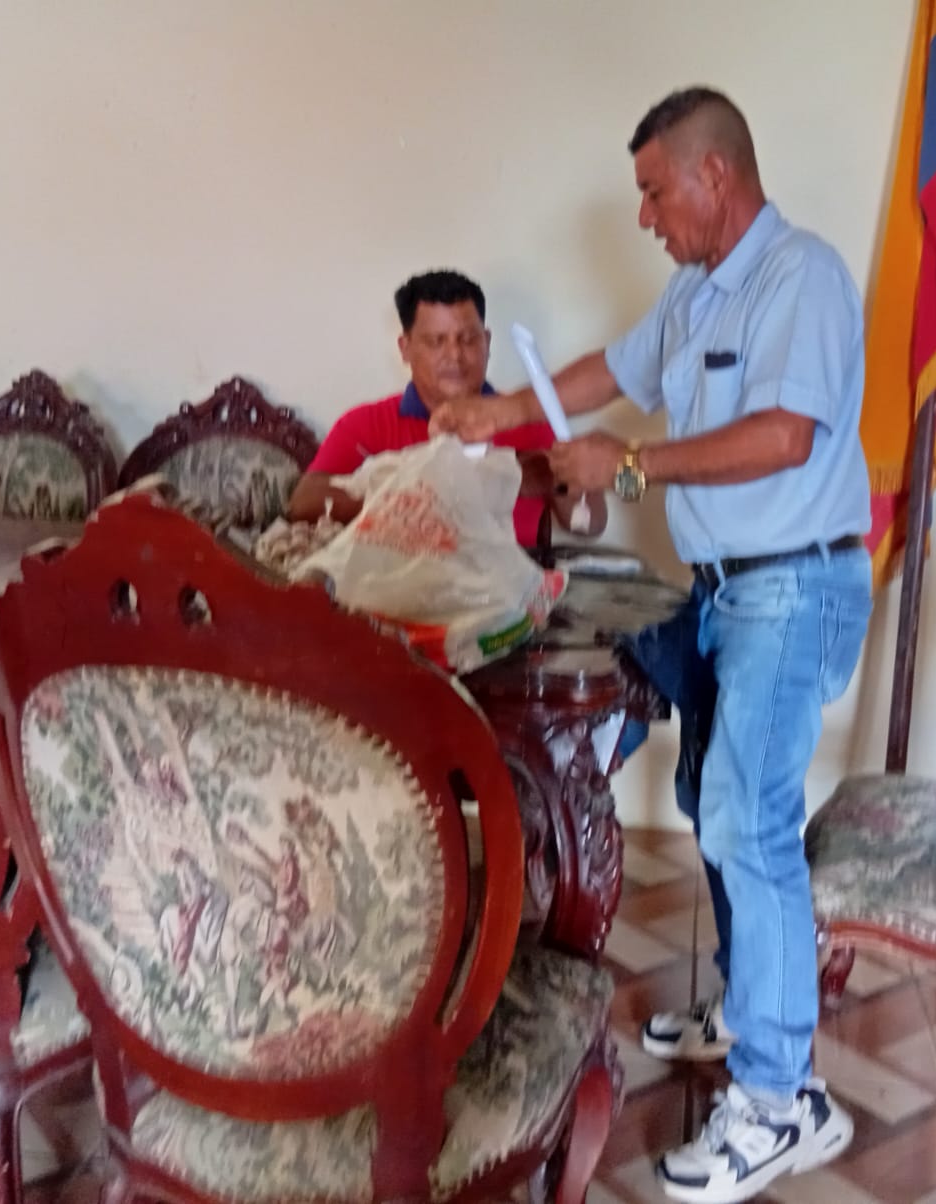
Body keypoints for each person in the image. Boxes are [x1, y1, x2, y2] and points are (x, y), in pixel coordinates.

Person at [432, 87, 871, 1203]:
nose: (644, 216)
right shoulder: (691, 293)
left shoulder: (802, 278)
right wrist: (498, 415)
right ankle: (751, 1004)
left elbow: (785, 436)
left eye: (653, 190)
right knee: (712, 799)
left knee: (744, 818)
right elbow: (609, 374)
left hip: (793, 584)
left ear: (713, 175)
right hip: (727, 589)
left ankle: (782, 1099)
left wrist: (628, 465)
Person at [286, 269, 604, 544]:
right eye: (436, 341)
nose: (454, 355)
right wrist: (423, 492)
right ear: (405, 348)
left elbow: (591, 526)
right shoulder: (366, 424)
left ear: (487, 342)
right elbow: (304, 503)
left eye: (468, 339)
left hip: (516, 586)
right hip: (404, 585)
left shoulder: (530, 418)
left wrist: (564, 483)